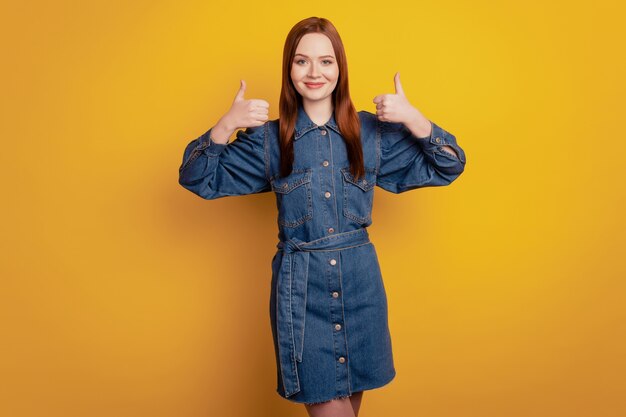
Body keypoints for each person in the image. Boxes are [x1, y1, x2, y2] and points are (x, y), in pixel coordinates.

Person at [178, 16, 466, 417]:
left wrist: (414, 119)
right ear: (289, 70)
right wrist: (226, 126)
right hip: (303, 294)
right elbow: (197, 178)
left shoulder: (373, 134)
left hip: (361, 289)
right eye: (302, 61)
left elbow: (448, 166)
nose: (314, 72)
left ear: (340, 68)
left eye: (326, 61)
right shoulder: (268, 141)